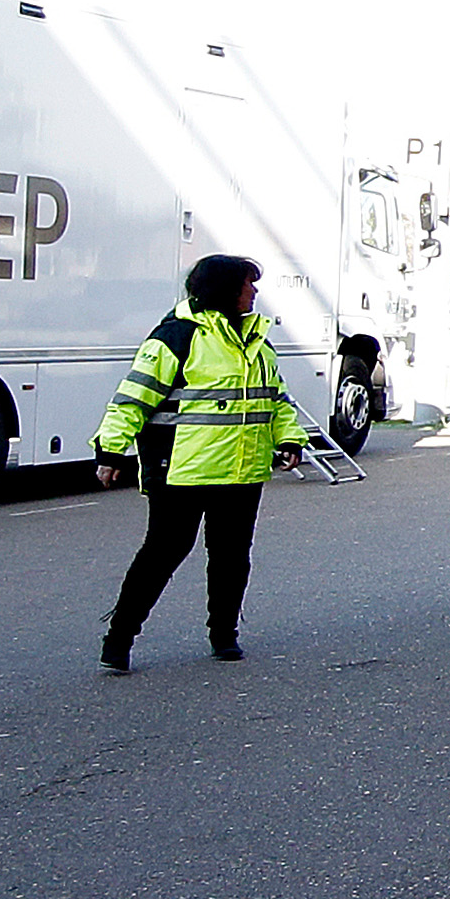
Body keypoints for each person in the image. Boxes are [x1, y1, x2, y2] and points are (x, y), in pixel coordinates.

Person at [93, 254, 305, 671]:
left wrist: (290, 438)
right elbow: (133, 397)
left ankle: (224, 636)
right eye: (249, 284)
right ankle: (118, 639)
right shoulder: (176, 337)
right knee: (162, 554)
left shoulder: (256, 343)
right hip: (182, 471)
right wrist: (111, 451)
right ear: (226, 289)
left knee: (231, 557)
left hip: (242, 471)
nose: (255, 292)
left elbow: (275, 401)